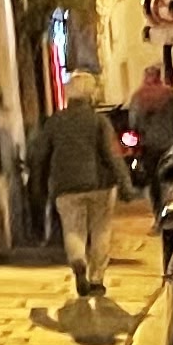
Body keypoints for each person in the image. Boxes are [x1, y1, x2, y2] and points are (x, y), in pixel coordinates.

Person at [29, 69, 133, 300]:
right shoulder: (99, 121)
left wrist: (39, 187)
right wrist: (125, 185)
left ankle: (78, 260)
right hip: (100, 185)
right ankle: (96, 279)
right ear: (91, 94)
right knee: (101, 230)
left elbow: (40, 156)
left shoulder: (55, 122)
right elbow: (112, 155)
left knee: (73, 229)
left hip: (66, 186)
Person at [129, 62, 173, 187]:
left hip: (148, 146)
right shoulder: (170, 94)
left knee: (153, 179)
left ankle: (156, 196)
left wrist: (135, 147)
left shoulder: (138, 97)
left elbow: (133, 123)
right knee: (168, 177)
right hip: (168, 144)